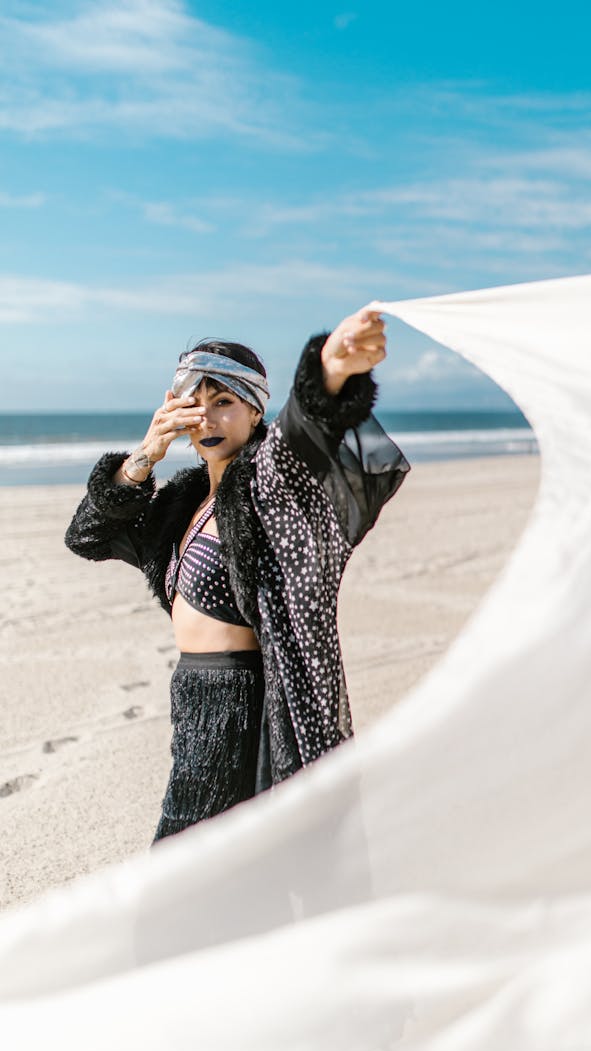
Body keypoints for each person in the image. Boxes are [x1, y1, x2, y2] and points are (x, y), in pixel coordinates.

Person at [65, 310, 409, 842]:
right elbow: (85, 535)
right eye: (194, 404)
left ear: (254, 411)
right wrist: (143, 458)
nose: (207, 418)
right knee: (227, 875)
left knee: (184, 870)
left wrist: (330, 373)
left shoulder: (265, 491)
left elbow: (301, 439)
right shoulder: (181, 504)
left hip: (244, 703)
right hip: (193, 699)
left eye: (223, 403)